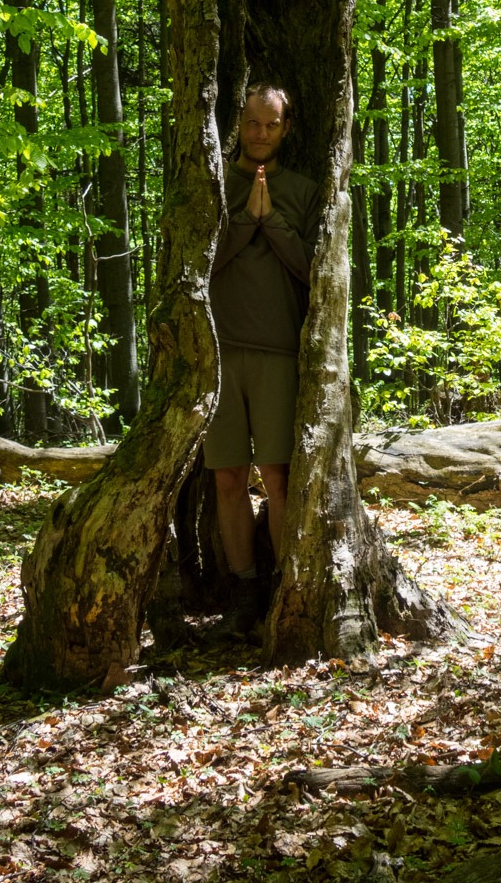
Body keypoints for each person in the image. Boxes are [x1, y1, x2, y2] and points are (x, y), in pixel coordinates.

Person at [205, 83, 320, 632]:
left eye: (270, 125)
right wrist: (245, 219)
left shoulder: (303, 190)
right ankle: (243, 593)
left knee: (276, 477)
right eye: (252, 123)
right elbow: (204, 263)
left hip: (279, 351)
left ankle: (281, 590)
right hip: (221, 352)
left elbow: (312, 270)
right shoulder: (215, 184)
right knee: (228, 477)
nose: (259, 134)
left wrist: (271, 219)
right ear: (240, 123)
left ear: (285, 128)